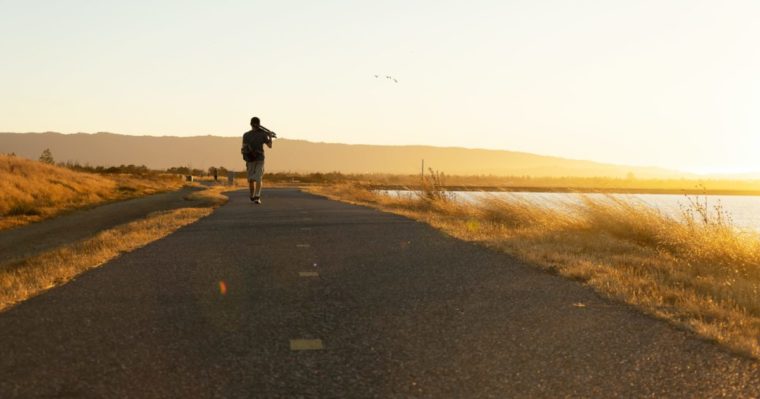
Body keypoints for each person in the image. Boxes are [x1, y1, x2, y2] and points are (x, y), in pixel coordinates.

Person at [242, 117, 273, 204]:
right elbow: (270, 145)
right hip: (253, 159)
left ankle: (256, 196)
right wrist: (270, 136)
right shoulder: (261, 134)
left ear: (250, 124)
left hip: (256, 159)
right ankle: (253, 196)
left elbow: (243, 148)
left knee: (257, 178)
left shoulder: (247, 135)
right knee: (254, 179)